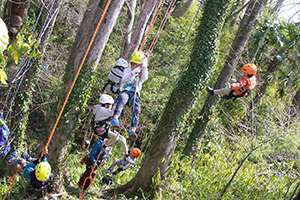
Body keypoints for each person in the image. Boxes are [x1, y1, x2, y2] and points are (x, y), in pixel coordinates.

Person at [111, 51, 149, 141]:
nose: (134, 67)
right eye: (133, 65)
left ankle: (133, 130)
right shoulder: (127, 70)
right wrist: (132, 73)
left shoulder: (141, 73)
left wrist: (144, 66)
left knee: (137, 109)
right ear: (131, 64)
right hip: (126, 90)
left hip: (135, 93)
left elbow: (145, 78)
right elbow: (123, 79)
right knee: (122, 99)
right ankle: (115, 118)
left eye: (137, 65)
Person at [92, 94, 134, 164]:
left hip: (105, 130)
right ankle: (104, 146)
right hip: (101, 131)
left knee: (122, 139)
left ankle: (126, 155)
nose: (110, 107)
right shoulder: (101, 109)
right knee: (116, 137)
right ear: (106, 105)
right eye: (110, 105)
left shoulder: (102, 109)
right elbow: (112, 113)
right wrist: (116, 104)